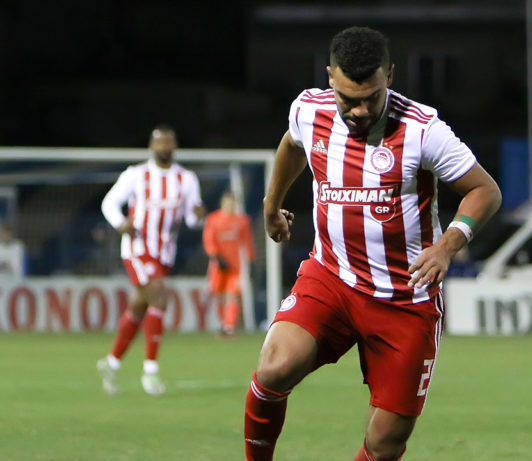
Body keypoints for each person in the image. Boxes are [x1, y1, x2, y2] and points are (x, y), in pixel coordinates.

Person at [242, 26, 501, 460]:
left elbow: (484, 190)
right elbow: (292, 145)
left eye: (371, 97)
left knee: (385, 443)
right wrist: (272, 205)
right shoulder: (309, 110)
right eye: (349, 99)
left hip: (405, 298)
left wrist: (446, 246)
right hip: (332, 278)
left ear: (390, 77)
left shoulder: (422, 129)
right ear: (330, 78)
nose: (360, 110)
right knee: (274, 368)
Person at [97, 125, 205, 396]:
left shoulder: (187, 179)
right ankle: (150, 371)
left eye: (168, 142)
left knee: (138, 307)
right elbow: (109, 203)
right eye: (159, 142)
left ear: (175, 146)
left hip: (164, 253)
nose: (164, 147)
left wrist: (198, 216)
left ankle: (111, 363)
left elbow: (191, 219)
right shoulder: (135, 175)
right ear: (151, 146)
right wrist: (120, 223)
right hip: (137, 248)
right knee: (159, 297)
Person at [203, 190, 255, 336]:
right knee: (219, 294)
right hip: (218, 265)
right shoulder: (213, 219)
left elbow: (247, 241)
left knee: (232, 294)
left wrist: (250, 259)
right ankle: (223, 322)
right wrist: (216, 256)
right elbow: (208, 240)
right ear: (222, 204)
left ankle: (229, 326)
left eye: (232, 203)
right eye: (227, 203)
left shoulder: (242, 221)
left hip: (235, 266)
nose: (230, 206)